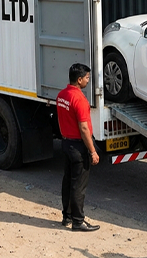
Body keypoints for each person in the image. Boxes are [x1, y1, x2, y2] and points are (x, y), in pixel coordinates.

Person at [56, 63, 100, 232]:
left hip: (66, 143)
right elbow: (84, 128)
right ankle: (78, 221)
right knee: (78, 186)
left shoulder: (61, 95)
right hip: (78, 146)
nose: (88, 80)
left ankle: (66, 217)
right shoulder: (79, 99)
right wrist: (93, 151)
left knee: (68, 181)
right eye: (87, 78)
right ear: (79, 79)